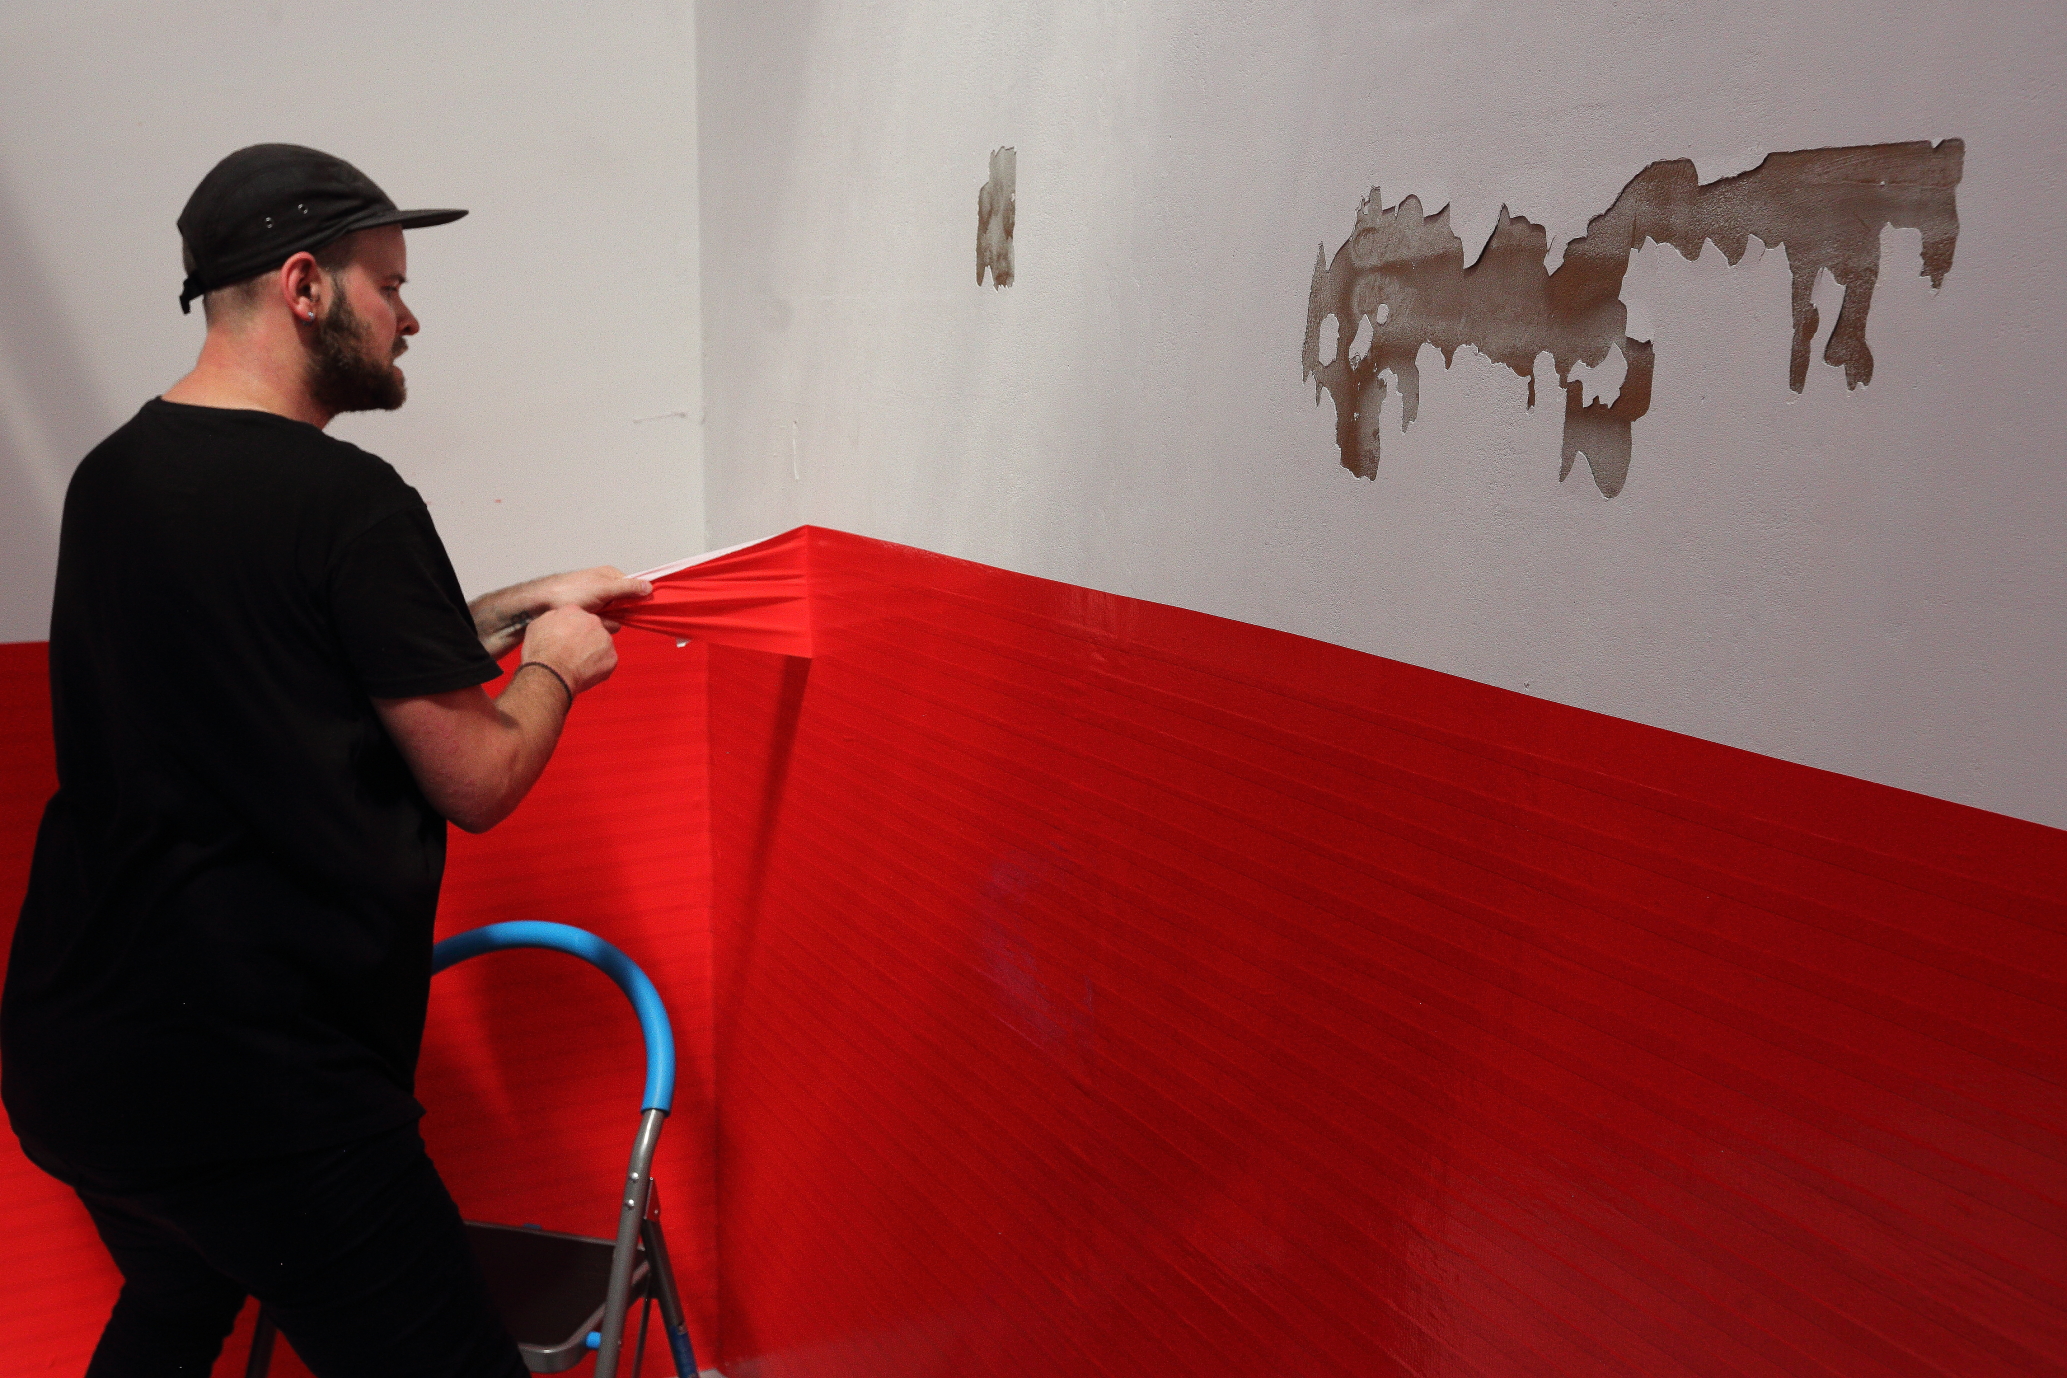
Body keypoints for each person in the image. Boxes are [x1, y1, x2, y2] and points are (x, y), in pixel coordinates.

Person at [0, 144, 651, 1377]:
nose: (410, 318)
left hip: (73, 1056)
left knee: (179, 1295)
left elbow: (301, 656)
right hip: (262, 1093)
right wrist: (559, 665)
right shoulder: (352, 500)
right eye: (389, 285)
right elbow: (477, 777)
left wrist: (516, 605)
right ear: (305, 287)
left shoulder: (112, 476)